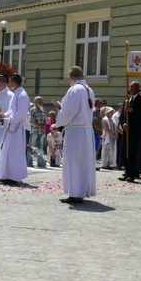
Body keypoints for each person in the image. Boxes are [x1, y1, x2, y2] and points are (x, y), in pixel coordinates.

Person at [56, 66, 96, 203]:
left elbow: (69, 111)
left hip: (76, 131)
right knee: (83, 162)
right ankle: (82, 190)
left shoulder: (74, 89)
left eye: (69, 78)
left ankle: (74, 193)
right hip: (86, 129)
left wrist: (60, 114)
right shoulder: (89, 89)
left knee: (73, 162)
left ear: (72, 77)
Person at [0, 74, 30, 185]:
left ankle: (14, 176)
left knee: (15, 151)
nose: (9, 84)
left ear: (14, 82)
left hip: (17, 126)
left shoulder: (22, 95)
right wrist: (5, 115)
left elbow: (22, 112)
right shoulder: (16, 94)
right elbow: (12, 109)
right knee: (7, 150)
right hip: (11, 125)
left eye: (10, 82)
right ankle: (7, 174)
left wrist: (9, 118)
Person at [120, 81, 141, 182]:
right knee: (125, 152)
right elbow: (122, 116)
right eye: (130, 86)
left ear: (137, 88)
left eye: (132, 86)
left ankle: (132, 174)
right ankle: (126, 171)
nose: (130, 88)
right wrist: (123, 123)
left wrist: (131, 110)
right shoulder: (126, 100)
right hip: (126, 130)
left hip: (135, 131)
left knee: (132, 153)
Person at [29, 96, 47, 166]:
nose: (41, 103)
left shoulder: (43, 110)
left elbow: (45, 120)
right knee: (31, 146)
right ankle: (29, 162)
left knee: (41, 147)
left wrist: (44, 127)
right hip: (35, 131)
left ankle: (40, 162)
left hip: (41, 132)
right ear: (35, 102)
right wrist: (40, 126)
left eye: (42, 101)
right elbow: (32, 121)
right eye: (40, 101)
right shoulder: (32, 110)